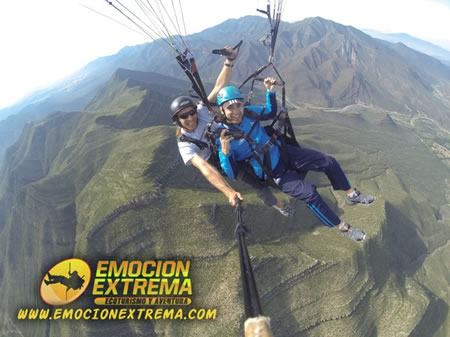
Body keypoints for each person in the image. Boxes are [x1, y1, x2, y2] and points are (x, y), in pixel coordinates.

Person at [215, 79, 376, 241]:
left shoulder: (249, 112)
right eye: (230, 108)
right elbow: (232, 172)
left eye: (238, 106)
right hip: (272, 171)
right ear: (222, 110)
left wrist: (270, 91)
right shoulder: (224, 137)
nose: (236, 111)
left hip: (282, 152)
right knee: (310, 194)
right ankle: (344, 228)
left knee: (328, 161)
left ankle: (352, 194)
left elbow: (270, 113)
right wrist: (225, 152)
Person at [171, 47, 294, 216]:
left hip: (238, 136)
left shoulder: (202, 110)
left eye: (191, 112)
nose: (191, 117)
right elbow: (205, 167)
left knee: (270, 135)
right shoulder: (185, 143)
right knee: (257, 184)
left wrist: (229, 61)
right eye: (184, 116)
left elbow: (220, 87)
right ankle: (279, 205)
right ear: (177, 121)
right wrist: (228, 191)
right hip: (224, 156)